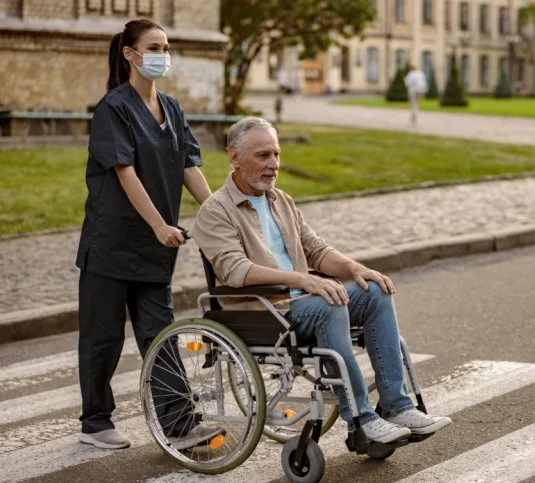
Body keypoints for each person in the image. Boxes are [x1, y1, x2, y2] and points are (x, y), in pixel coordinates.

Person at [192, 117, 453, 444]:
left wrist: (355, 269)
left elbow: (315, 249)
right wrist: (303, 280)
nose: (273, 164)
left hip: (303, 302)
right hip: (264, 313)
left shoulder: (281, 200)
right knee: (330, 304)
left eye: (276, 154)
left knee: (374, 292)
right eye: (262, 156)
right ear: (234, 156)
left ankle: (396, 407)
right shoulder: (216, 210)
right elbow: (236, 271)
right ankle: (360, 418)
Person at [75, 18, 221, 450]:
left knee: (161, 336)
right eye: (154, 46)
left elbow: (189, 166)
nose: (162, 54)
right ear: (130, 54)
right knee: (102, 336)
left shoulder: (172, 109)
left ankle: (180, 424)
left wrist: (219, 215)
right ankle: (96, 423)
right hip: (112, 243)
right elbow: (124, 172)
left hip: (155, 250)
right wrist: (160, 224)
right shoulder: (113, 108)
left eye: (166, 46)